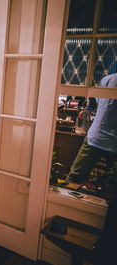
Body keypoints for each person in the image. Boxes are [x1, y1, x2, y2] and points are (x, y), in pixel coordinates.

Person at [66, 71, 117, 264]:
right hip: (111, 140)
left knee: (74, 176)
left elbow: (98, 100)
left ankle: (68, 217)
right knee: (113, 189)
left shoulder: (108, 78)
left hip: (96, 135)